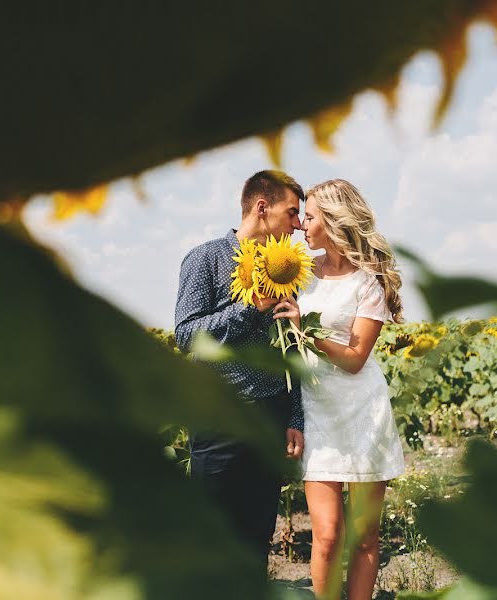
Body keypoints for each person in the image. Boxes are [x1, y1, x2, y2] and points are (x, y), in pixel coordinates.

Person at [274, 179, 405, 599]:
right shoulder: (299, 273)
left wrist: (305, 331)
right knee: (328, 536)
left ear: (332, 221)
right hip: (317, 410)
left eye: (308, 217)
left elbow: (354, 359)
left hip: (363, 411)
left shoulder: (369, 282)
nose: (301, 226)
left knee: (365, 537)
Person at [174, 169, 306, 574]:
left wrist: (295, 417)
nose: (299, 225)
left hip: (269, 418)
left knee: (257, 533)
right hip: (219, 419)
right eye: (292, 213)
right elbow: (187, 335)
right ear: (262, 209)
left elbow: (291, 353)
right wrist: (253, 307)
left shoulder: (285, 270)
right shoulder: (206, 259)